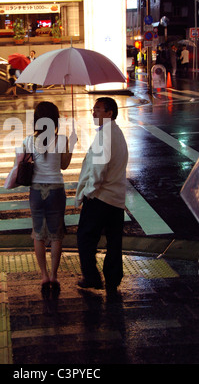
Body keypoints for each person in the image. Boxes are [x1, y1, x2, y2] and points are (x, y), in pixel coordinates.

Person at [75, 97, 128, 296]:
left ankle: (91, 277)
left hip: (100, 197)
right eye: (93, 109)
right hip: (116, 198)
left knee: (85, 237)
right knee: (114, 240)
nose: (93, 113)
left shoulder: (105, 136)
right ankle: (113, 280)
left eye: (98, 109)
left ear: (109, 113)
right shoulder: (117, 133)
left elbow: (98, 170)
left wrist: (88, 192)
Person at [22, 101, 75, 294]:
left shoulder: (29, 140)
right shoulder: (61, 140)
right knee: (56, 234)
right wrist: (72, 143)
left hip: (36, 190)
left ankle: (43, 276)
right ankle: (54, 275)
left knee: (38, 233)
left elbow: (19, 163)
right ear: (55, 120)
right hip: (56, 190)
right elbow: (64, 166)